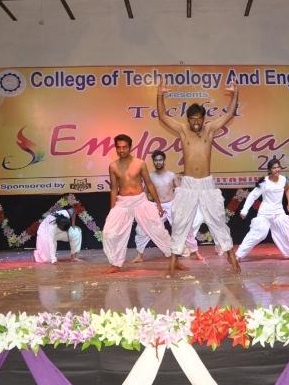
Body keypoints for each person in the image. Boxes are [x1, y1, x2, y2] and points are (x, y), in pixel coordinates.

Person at [157, 78, 241, 276]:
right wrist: (159, 95)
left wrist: (235, 94)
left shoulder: (209, 129)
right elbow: (162, 116)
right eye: (193, 118)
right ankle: (173, 262)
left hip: (206, 184)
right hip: (187, 185)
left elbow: (229, 114)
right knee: (180, 222)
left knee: (218, 220)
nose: (196, 122)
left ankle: (231, 257)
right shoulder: (182, 130)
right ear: (188, 119)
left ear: (204, 118)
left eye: (199, 118)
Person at [102, 134, 172, 273]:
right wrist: (112, 209)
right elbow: (114, 189)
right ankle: (115, 263)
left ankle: (174, 259)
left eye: (124, 147)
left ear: (130, 147)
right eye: (119, 147)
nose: (121, 150)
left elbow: (149, 184)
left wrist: (158, 204)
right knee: (109, 233)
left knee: (158, 229)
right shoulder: (113, 166)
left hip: (140, 200)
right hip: (122, 203)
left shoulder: (140, 163)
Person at [132, 151, 203, 263]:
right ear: (153, 162)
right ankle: (140, 255)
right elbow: (145, 193)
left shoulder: (171, 175)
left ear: (164, 161)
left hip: (172, 205)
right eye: (156, 160)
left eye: (160, 160)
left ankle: (196, 251)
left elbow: (180, 191)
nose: (158, 162)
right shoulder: (150, 176)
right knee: (142, 229)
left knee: (185, 227)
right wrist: (145, 207)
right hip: (156, 205)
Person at [236, 159, 289, 260]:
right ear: (269, 170)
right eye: (274, 168)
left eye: (278, 167)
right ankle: (238, 255)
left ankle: (288, 253)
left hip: (279, 212)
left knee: (288, 233)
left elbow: (287, 189)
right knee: (258, 234)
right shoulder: (264, 182)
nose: (277, 169)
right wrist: (244, 210)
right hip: (265, 213)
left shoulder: (283, 179)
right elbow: (252, 196)